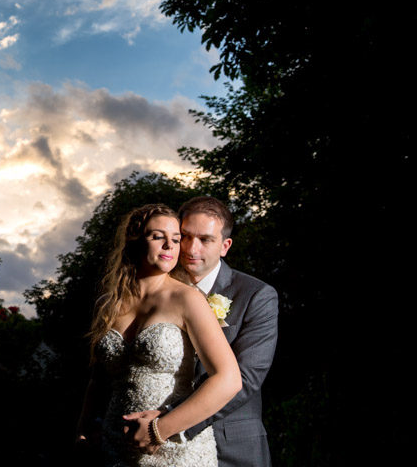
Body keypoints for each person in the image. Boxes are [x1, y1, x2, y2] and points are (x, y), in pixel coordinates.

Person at [76, 203, 241, 466]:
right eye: (157, 237)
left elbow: (229, 379)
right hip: (113, 445)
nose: (169, 246)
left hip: (172, 447)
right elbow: (98, 380)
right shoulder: (108, 303)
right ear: (135, 242)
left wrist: (159, 429)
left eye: (176, 239)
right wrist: (84, 430)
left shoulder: (188, 299)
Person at [123, 197, 278, 467]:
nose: (191, 249)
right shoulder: (152, 290)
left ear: (225, 246)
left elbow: (247, 378)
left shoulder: (256, 295)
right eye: (185, 236)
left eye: (205, 240)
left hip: (232, 447)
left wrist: (168, 422)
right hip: (148, 445)